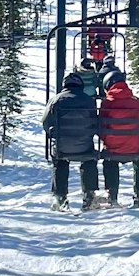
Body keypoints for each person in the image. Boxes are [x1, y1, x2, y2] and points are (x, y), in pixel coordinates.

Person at [42, 71, 99, 209]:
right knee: (89, 160)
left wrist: (55, 135)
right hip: (84, 146)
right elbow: (95, 124)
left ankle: (60, 197)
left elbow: (46, 122)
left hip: (62, 146)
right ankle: (89, 196)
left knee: (60, 162)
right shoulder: (89, 101)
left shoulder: (55, 100)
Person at [98, 69, 139, 207]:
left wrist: (106, 139)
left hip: (113, 148)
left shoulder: (106, 103)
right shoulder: (136, 102)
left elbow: (102, 126)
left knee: (109, 160)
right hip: (135, 147)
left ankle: (112, 194)